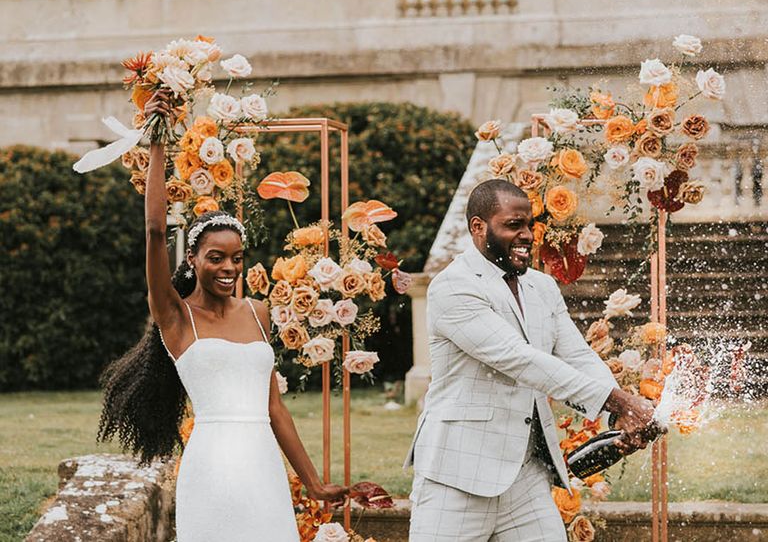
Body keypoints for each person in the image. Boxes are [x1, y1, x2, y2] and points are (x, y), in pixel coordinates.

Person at [98, 91, 346, 541]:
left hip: (262, 468)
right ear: (192, 258)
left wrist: (313, 483)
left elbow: (274, 409)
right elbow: (155, 230)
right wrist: (158, 141)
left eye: (236, 258)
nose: (229, 268)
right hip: (210, 469)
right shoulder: (175, 316)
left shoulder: (258, 311)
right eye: (216, 258)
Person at [405, 179, 658, 541]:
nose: (527, 235)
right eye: (513, 225)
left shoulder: (542, 287)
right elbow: (519, 360)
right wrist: (619, 401)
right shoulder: (453, 286)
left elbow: (577, 356)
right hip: (457, 475)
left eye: (529, 225)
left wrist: (616, 414)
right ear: (478, 228)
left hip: (527, 479)